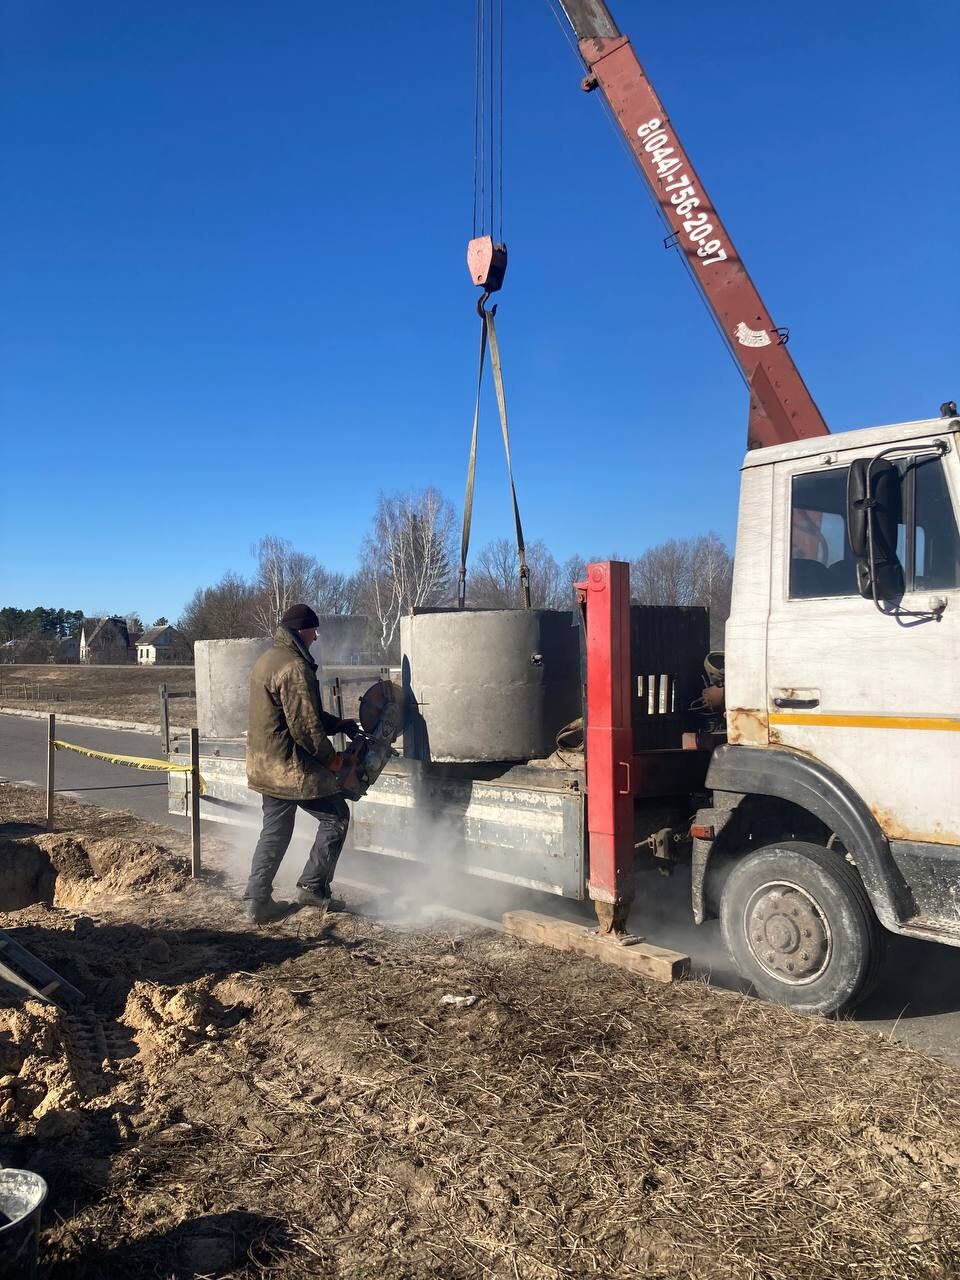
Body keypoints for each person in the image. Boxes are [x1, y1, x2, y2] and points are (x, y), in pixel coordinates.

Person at [243, 603, 360, 924]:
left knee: (275, 831)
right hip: (288, 767)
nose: (316, 636)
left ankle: (256, 900)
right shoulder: (294, 667)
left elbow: (297, 712)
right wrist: (333, 760)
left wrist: (338, 724)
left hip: (265, 764)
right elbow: (305, 727)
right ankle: (313, 886)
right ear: (301, 630)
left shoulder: (268, 659)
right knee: (336, 816)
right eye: (314, 631)